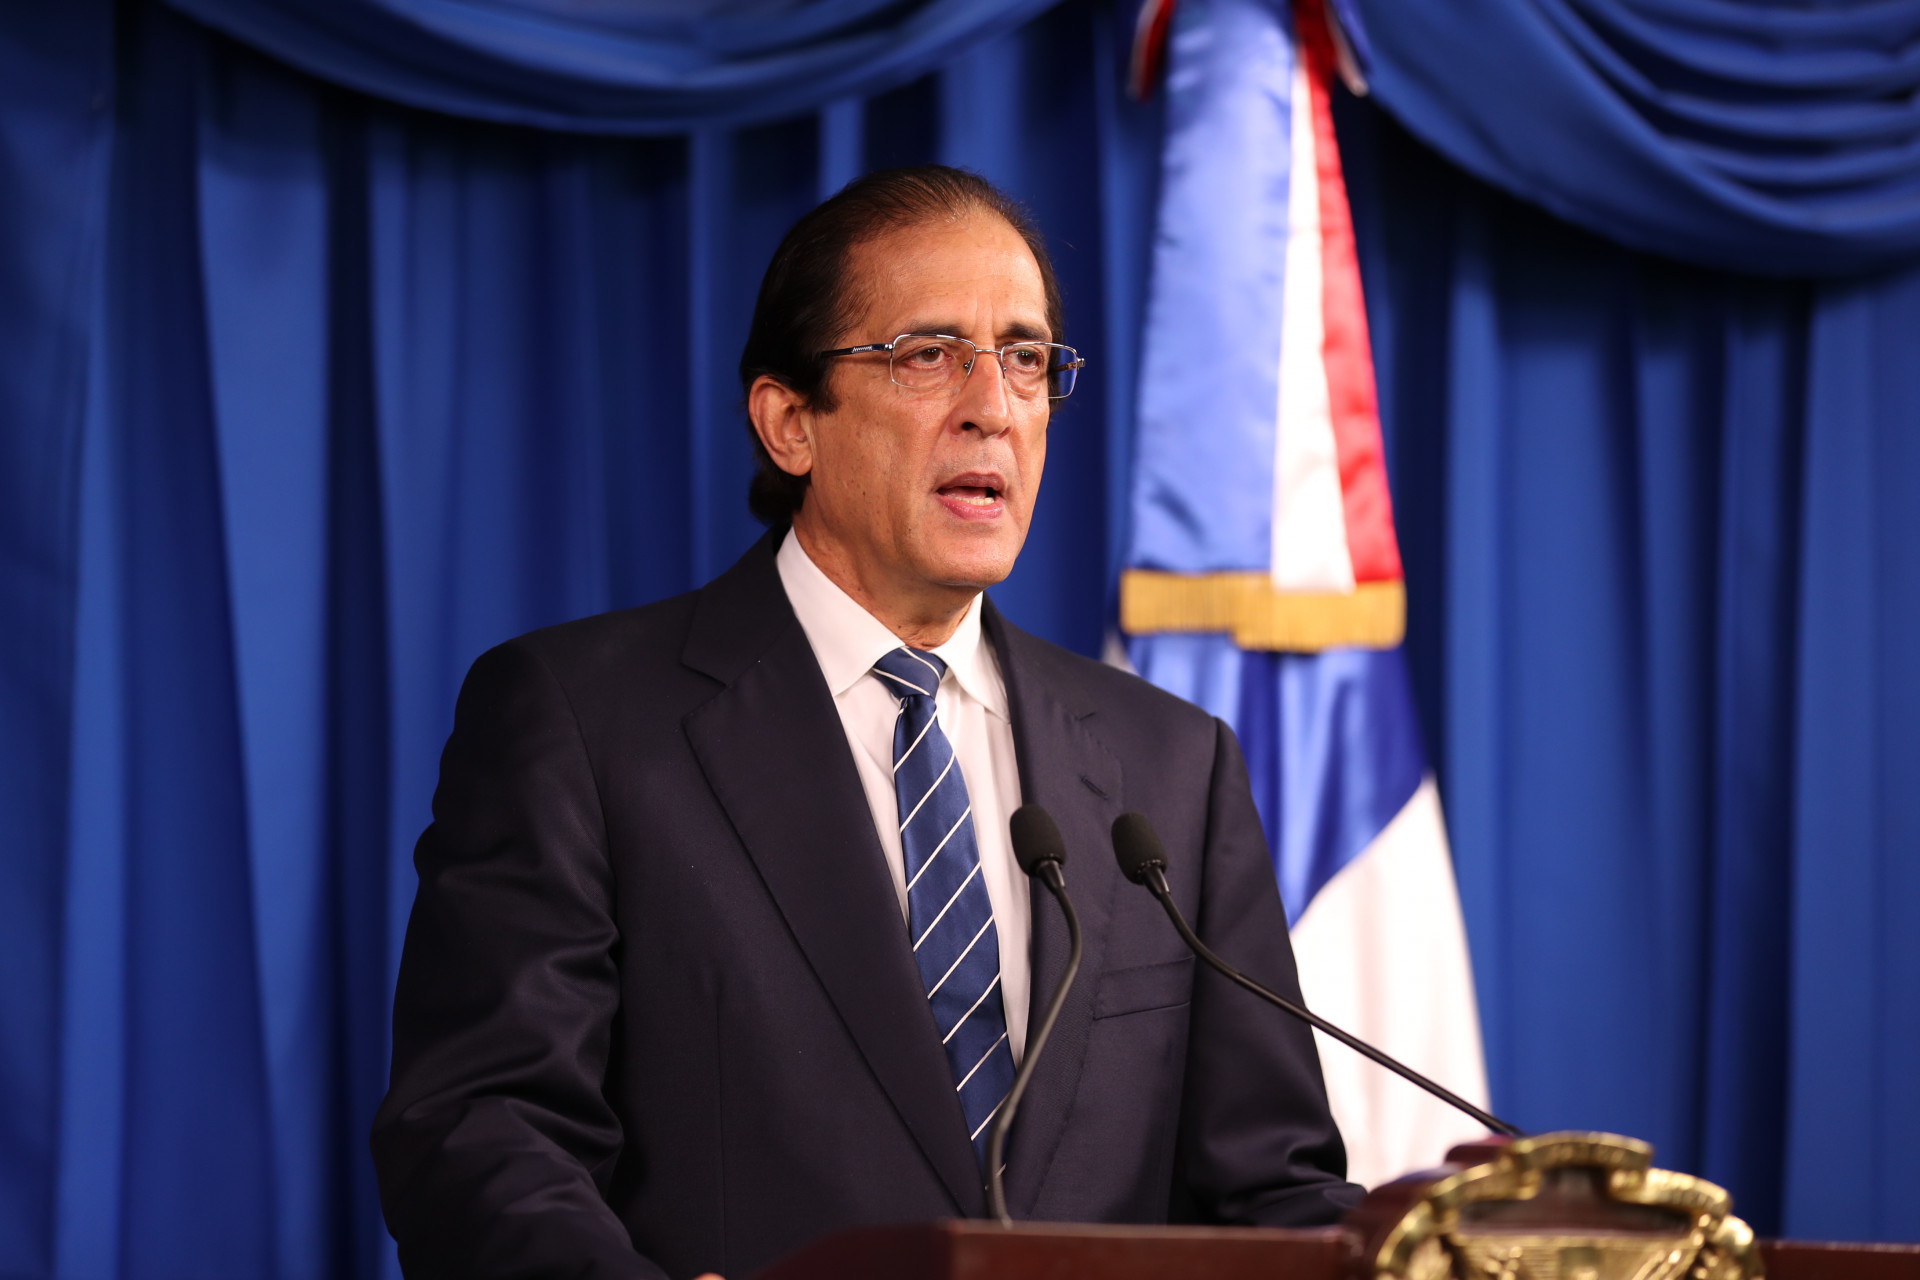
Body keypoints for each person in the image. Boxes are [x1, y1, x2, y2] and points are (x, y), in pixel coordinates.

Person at [371, 165, 1361, 1280]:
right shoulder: (582, 722)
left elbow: (1271, 1186)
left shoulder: (1172, 765)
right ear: (791, 422)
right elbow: (481, 1134)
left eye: (1026, 358)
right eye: (929, 354)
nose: (993, 406)